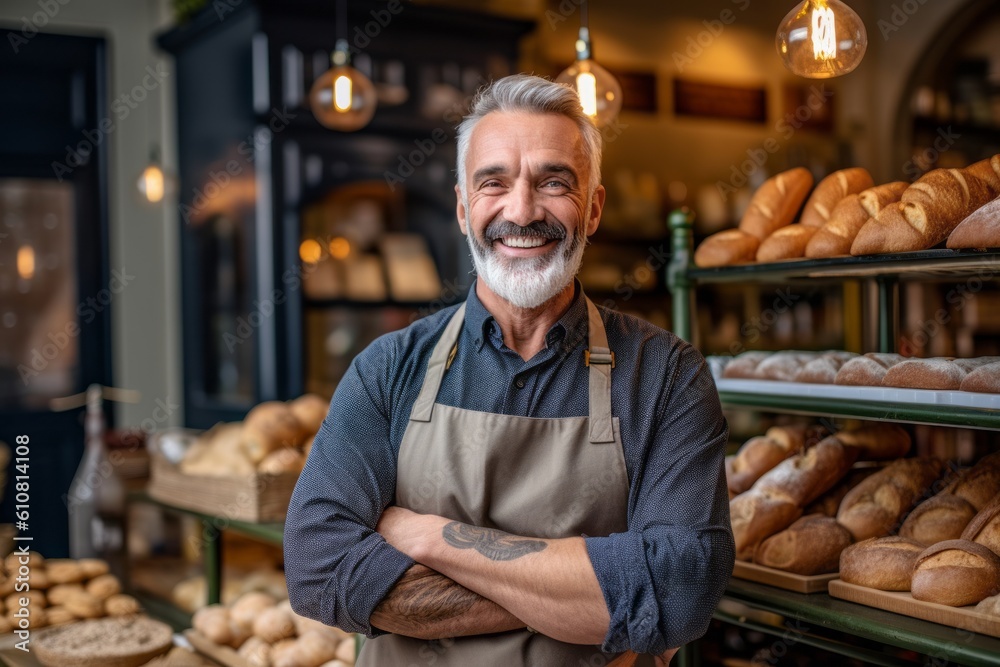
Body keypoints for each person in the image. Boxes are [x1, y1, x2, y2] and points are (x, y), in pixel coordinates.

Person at [284, 73, 734, 666]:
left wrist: (426, 538)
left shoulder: (668, 376)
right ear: (464, 207)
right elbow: (318, 567)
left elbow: (681, 587)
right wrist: (594, 602)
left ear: (592, 209)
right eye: (494, 182)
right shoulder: (388, 369)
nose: (521, 211)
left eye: (553, 182)